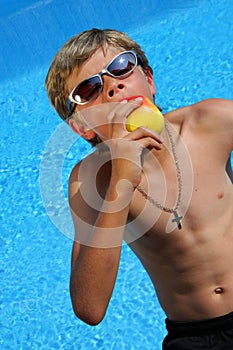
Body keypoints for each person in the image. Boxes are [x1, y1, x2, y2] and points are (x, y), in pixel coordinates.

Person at [45, 28, 233, 349]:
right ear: (81, 128)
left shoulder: (213, 121)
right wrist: (121, 182)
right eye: (89, 89)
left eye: (121, 68)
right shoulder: (89, 180)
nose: (113, 86)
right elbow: (90, 307)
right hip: (194, 336)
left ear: (149, 80)